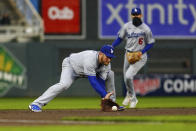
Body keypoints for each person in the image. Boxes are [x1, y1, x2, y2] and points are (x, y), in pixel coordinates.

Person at [29, 45, 119, 112]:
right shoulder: (90, 60)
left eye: (111, 57)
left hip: (85, 71)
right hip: (71, 67)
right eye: (107, 56)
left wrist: (105, 98)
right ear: (100, 54)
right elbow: (93, 81)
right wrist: (104, 94)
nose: (109, 60)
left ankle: (112, 103)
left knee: (110, 74)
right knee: (64, 85)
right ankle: (36, 104)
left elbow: (101, 81)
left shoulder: (107, 64)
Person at [111, 8, 155, 108]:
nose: (135, 16)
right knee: (125, 77)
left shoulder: (146, 28)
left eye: (137, 14)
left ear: (141, 15)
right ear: (131, 15)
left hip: (140, 56)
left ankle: (133, 98)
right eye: (134, 14)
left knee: (128, 76)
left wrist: (142, 52)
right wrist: (112, 46)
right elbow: (120, 38)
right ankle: (129, 95)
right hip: (128, 54)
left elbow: (151, 43)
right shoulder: (127, 26)